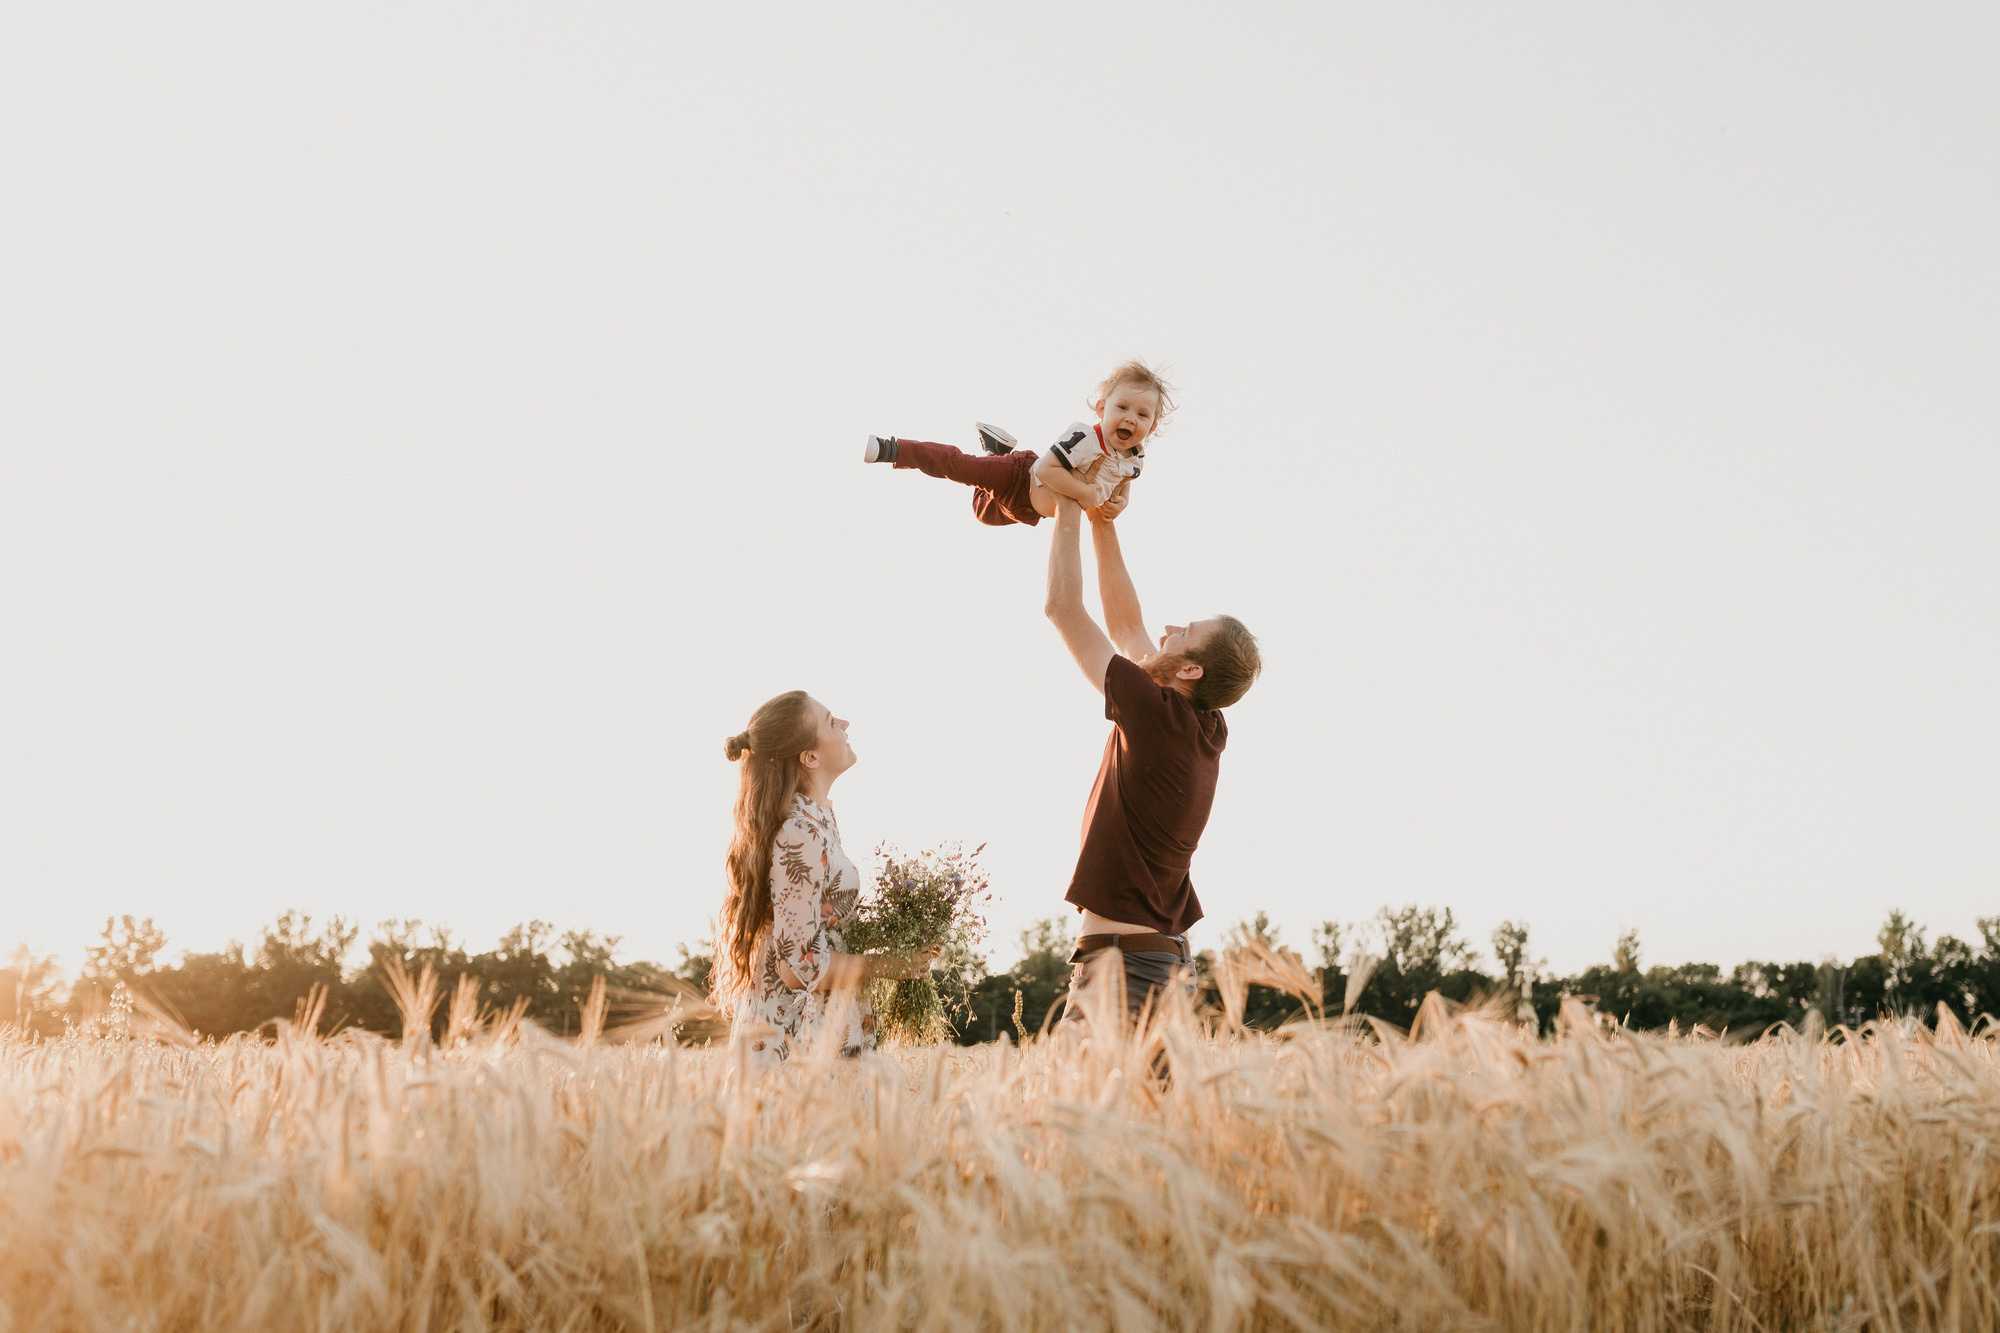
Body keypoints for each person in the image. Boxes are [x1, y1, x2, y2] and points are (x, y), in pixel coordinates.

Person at [1040, 498, 1263, 1022]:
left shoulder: (1158, 717)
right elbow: (1125, 622)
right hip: (1150, 967)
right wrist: (1103, 520)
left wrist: (1067, 503)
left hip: (1124, 971)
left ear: (1190, 671)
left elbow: (1062, 610)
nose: (1166, 630)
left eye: (1183, 633)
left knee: (1075, 1103)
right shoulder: (1202, 725)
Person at [711, 690, 936, 1067]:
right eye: (831, 721)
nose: (845, 724)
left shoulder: (816, 820)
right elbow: (799, 966)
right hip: (798, 1042)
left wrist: (900, 930)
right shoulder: (800, 831)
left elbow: (818, 925)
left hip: (816, 1029)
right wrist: (884, 965)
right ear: (810, 757)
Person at [860, 360, 1172, 528]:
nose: (1131, 419)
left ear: (1152, 426)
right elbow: (1048, 470)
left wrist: (1122, 501)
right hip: (1019, 476)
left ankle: (995, 449)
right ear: (1102, 409)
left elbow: (1123, 483)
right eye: (1122, 408)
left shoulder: (1135, 459)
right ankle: (892, 448)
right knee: (957, 466)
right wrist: (1085, 493)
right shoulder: (1085, 438)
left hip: (1027, 509)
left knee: (983, 514)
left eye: (1142, 414)